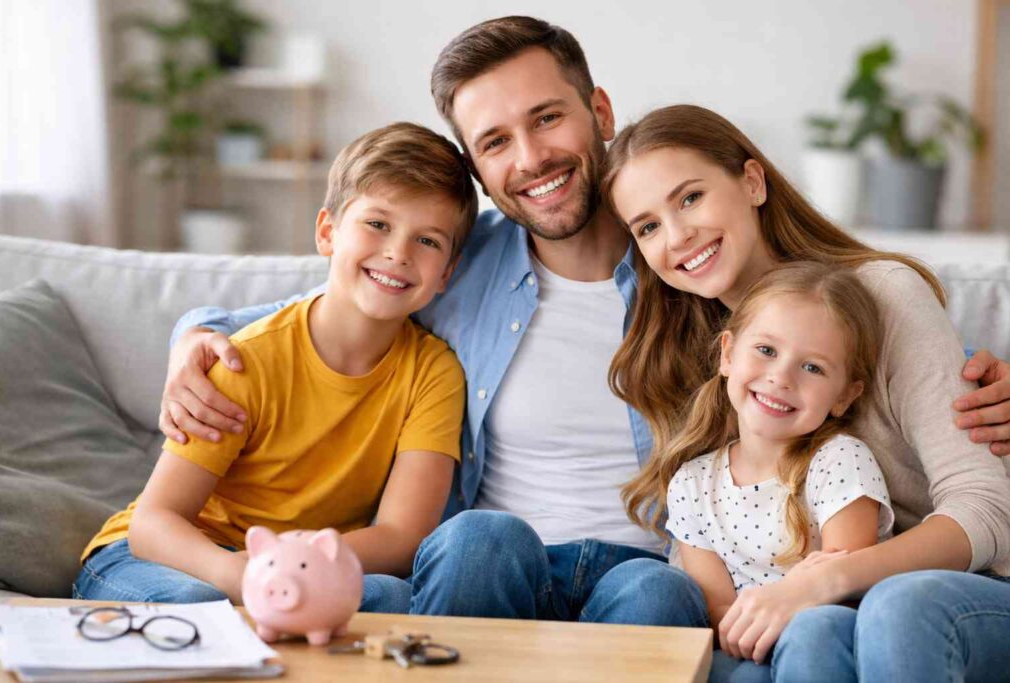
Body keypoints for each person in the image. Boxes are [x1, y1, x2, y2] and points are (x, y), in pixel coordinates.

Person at [159, 17, 1010, 627]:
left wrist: (981, 367)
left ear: (599, 112)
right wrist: (195, 338)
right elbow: (310, 304)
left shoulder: (687, 273)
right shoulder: (453, 264)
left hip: (647, 571)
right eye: (495, 142)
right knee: (476, 539)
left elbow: (825, 335)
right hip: (496, 559)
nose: (531, 157)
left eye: (547, 118)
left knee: (661, 592)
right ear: (479, 171)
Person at [603, 104, 1010, 681]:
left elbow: (987, 509)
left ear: (752, 181)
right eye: (647, 227)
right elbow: (705, 536)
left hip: (962, 590)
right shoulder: (698, 354)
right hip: (808, 620)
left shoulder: (886, 297)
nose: (677, 236)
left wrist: (828, 578)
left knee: (896, 607)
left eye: (690, 198)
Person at [72, 122, 476, 609]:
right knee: (203, 605)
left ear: (446, 273)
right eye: (378, 224)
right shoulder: (246, 359)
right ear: (327, 232)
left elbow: (400, 536)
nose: (398, 253)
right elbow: (153, 524)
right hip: (174, 559)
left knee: (388, 595)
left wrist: (282, 567)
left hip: (299, 567)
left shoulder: (434, 374)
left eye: (428, 241)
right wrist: (237, 574)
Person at [646, 261, 895, 667]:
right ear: (728, 354)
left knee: (812, 634)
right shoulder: (691, 484)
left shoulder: (841, 462)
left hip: (817, 647)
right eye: (766, 351)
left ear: (844, 396)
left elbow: (844, 588)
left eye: (813, 367)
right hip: (740, 647)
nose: (781, 378)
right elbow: (719, 614)